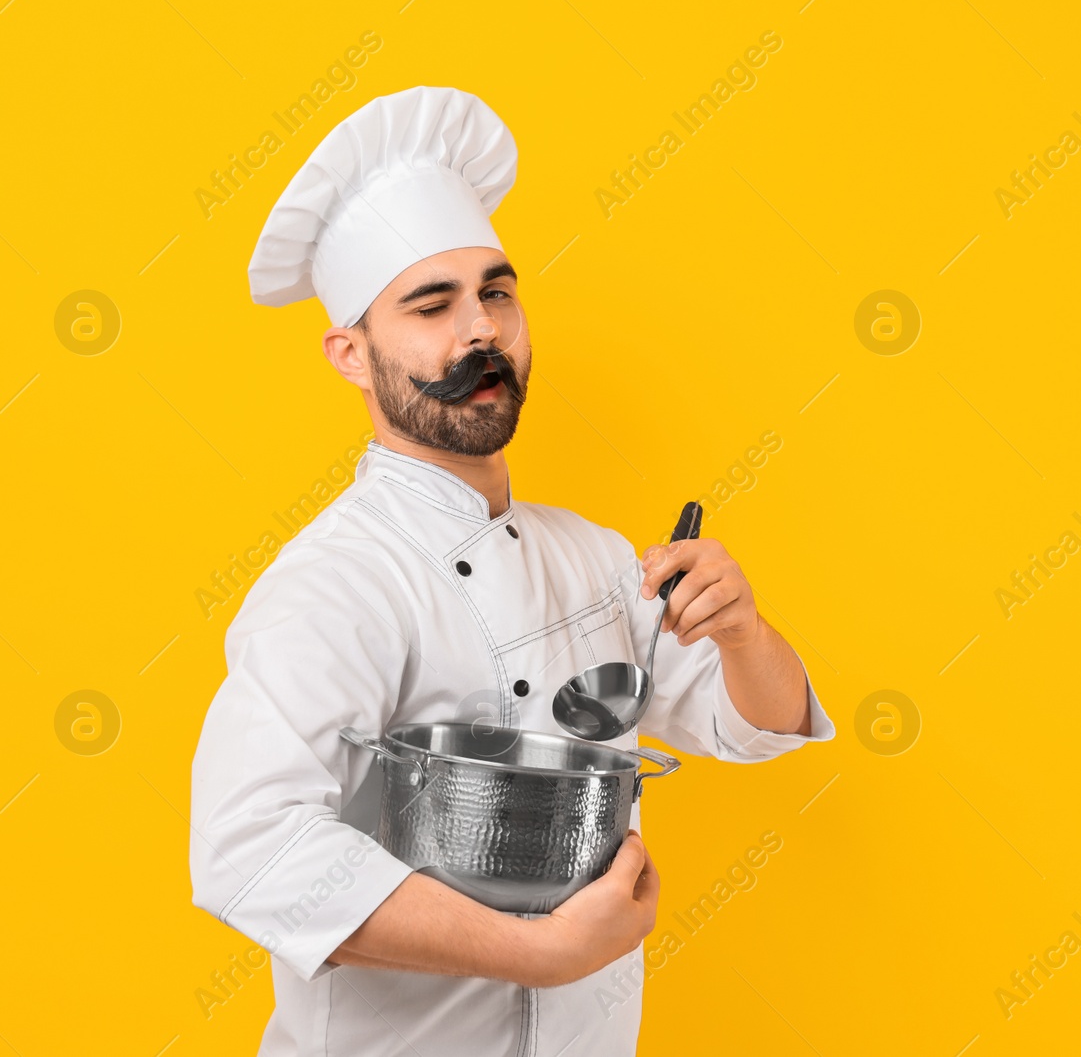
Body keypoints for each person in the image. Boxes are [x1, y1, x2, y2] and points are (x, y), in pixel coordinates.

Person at [187, 84, 835, 1056]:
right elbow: (249, 850)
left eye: (495, 291)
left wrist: (743, 631)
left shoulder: (593, 554)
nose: (479, 330)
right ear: (351, 355)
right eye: (430, 304)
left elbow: (756, 724)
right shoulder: (333, 584)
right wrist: (528, 949)